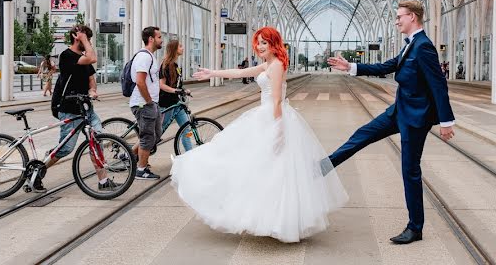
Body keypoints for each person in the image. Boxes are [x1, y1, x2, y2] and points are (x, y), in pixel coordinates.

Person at [171, 27, 347, 243]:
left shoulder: (278, 65)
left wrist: (279, 129)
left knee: (275, 170)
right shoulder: (269, 64)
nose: (260, 47)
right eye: (258, 43)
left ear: (274, 44)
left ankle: (277, 220)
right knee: (259, 167)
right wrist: (213, 73)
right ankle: (271, 218)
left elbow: (276, 100)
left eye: (265, 43)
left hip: (273, 118)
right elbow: (241, 73)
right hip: (265, 116)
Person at [326, 0, 455, 245]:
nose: (396, 21)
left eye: (399, 17)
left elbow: (439, 85)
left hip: (415, 118)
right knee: (362, 134)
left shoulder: (424, 47)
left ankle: (415, 228)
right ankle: (325, 166)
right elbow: (387, 66)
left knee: (410, 171)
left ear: (413, 17)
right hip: (399, 110)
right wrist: (351, 66)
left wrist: (446, 121)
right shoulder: (412, 45)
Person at [40, 25, 116, 192]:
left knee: (97, 141)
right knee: (66, 148)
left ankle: (103, 181)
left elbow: (91, 79)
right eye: (87, 38)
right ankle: (39, 169)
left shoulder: (83, 56)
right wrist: (82, 39)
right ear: (76, 37)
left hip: (86, 108)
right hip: (67, 107)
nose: (88, 42)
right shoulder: (66, 56)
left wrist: (93, 90)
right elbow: (93, 58)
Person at [130, 26, 164, 180]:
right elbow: (140, 81)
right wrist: (149, 102)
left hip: (151, 103)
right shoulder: (144, 57)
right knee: (148, 136)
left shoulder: (150, 56)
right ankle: (141, 169)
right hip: (144, 104)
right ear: (151, 39)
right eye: (159, 37)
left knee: (156, 135)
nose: (161, 40)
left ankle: (131, 157)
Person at [159, 38, 191, 150]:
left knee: (186, 128)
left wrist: (184, 90)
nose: (183, 48)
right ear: (174, 49)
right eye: (180, 46)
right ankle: (136, 154)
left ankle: (190, 155)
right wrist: (175, 91)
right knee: (158, 132)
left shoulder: (176, 66)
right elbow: (161, 85)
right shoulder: (166, 65)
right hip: (166, 104)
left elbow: (177, 85)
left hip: (176, 103)